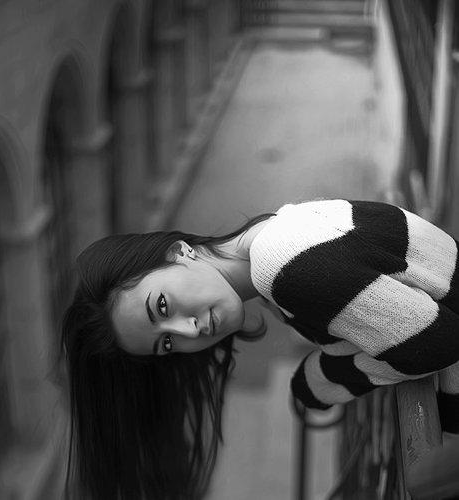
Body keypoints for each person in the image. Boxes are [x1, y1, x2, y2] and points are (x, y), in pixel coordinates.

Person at [60, 198, 459, 500]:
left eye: (162, 306)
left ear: (179, 253)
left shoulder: (280, 262)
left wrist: (324, 380)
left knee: (425, 484)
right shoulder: (273, 249)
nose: (188, 331)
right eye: (167, 343)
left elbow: (436, 343)